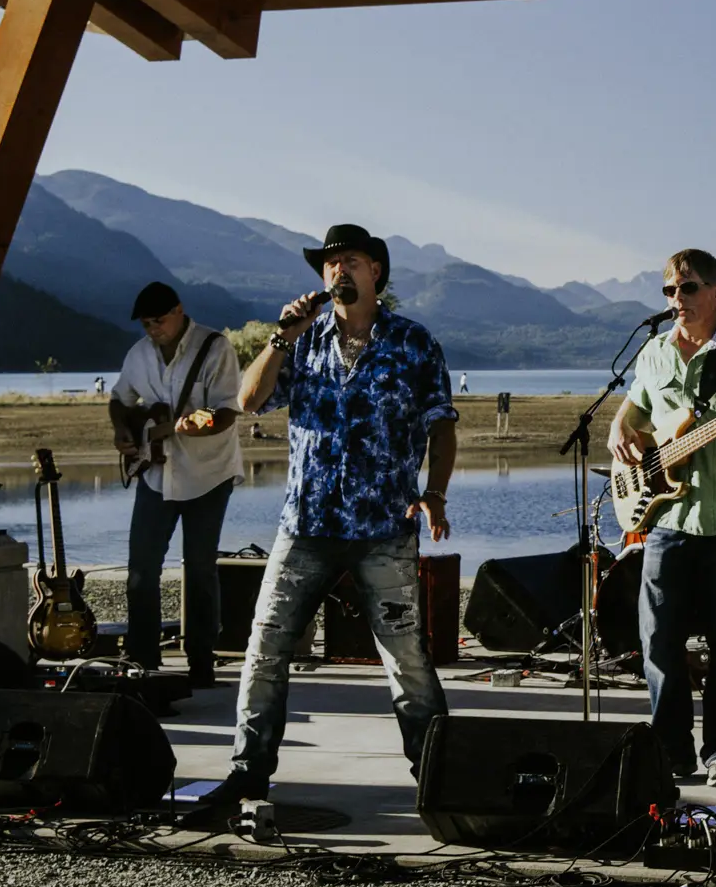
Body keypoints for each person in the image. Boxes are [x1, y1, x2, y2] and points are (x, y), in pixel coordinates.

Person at [208, 223, 457, 806]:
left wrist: (436, 492)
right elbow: (248, 402)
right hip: (307, 525)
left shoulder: (414, 343)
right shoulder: (304, 339)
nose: (337, 271)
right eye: (328, 264)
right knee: (265, 646)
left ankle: (441, 775)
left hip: (384, 528)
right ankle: (248, 771)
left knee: (407, 660)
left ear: (376, 272)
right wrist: (279, 337)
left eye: (350, 261)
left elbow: (441, 423)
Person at [608, 248, 716, 788]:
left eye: (687, 289)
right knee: (659, 640)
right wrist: (620, 429)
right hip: (666, 519)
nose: (676, 300)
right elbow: (634, 408)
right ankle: (670, 752)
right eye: (668, 291)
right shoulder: (655, 352)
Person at [107, 281, 242, 689]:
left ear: (179, 311)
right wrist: (122, 433)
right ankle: (143, 661)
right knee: (140, 571)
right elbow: (119, 399)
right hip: (154, 471)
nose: (153, 330)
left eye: (159, 321)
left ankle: (201, 662)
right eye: (147, 324)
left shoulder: (215, 348)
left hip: (208, 474)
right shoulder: (139, 354)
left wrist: (193, 426)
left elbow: (226, 412)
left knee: (200, 570)